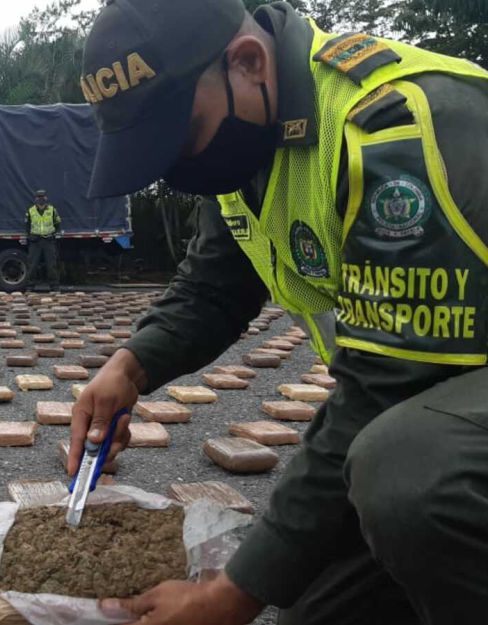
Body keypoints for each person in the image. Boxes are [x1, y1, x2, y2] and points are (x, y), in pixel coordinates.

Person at [69, 1, 488, 624]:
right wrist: (129, 366)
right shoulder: (247, 145)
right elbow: (214, 286)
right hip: (445, 406)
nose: (178, 168)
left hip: (434, 419)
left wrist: (228, 595)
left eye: (182, 136)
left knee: (406, 476)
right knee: (313, 607)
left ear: (248, 62)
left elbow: (386, 387)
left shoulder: (389, 127)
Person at [24, 189, 62, 291]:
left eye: (42, 197)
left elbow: (57, 223)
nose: (41, 199)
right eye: (39, 197)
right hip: (35, 241)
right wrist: (30, 236)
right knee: (32, 265)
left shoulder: (52, 210)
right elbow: (27, 225)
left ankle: (54, 287)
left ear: (46, 198)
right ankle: (30, 287)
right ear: (35, 199)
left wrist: (53, 234)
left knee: (51, 265)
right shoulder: (31, 211)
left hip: (48, 240)